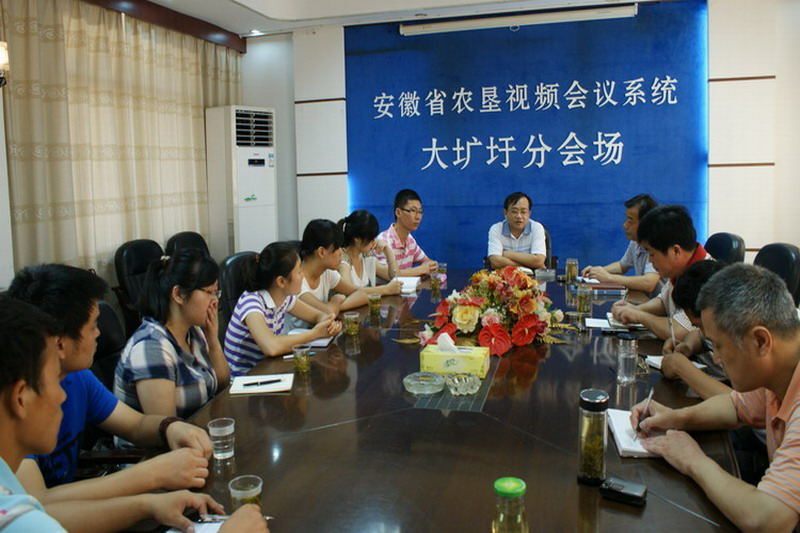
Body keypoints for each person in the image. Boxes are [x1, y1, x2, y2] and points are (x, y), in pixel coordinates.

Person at [0, 297, 268, 533]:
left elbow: (136, 423)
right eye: (53, 380)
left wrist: (148, 503)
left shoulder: (8, 478)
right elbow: (40, 507)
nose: (62, 395)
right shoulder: (18, 518)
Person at [631, 264, 800, 531]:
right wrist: (674, 417)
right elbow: (735, 406)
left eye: (718, 346)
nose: (716, 359)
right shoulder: (779, 368)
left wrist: (693, 460)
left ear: (760, 341)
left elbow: (767, 519)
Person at [115, 249, 230, 419]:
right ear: (179, 294)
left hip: (200, 427)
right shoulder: (151, 347)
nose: (215, 301)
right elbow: (166, 427)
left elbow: (222, 386)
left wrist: (213, 340)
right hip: (173, 435)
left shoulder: (194, 332)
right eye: (210, 292)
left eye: (217, 292)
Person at [224, 241, 342, 376]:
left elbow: (317, 316)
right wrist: (315, 333)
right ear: (281, 281)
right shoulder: (251, 303)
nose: (302, 276)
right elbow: (271, 347)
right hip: (243, 380)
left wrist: (327, 323)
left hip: (267, 370)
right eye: (299, 272)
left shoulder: (284, 297)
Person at [611, 205, 711, 342]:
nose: (650, 260)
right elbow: (664, 302)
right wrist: (635, 309)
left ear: (675, 251)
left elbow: (678, 331)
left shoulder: (705, 278)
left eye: (652, 254)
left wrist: (640, 316)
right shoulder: (679, 269)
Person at [659, 260, 729, 400]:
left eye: (700, 325)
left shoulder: (748, 341)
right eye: (697, 326)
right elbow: (699, 336)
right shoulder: (718, 325)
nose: (705, 334)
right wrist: (688, 346)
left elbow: (740, 403)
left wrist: (681, 367)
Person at [581, 194, 664, 295]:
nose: (625, 225)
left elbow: (649, 283)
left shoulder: (657, 244)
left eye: (630, 221)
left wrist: (609, 278)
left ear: (645, 224)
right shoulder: (636, 241)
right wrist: (597, 271)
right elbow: (622, 266)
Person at [297, 219, 369, 316]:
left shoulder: (326, 272)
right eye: (337, 248)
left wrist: (335, 306)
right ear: (321, 252)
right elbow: (328, 312)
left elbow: (362, 294)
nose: (341, 252)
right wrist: (336, 299)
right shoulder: (297, 280)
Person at [337, 209, 402, 295]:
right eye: (370, 239)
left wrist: (388, 251)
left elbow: (394, 276)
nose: (374, 242)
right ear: (357, 239)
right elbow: (348, 290)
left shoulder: (366, 255)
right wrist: (384, 289)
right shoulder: (343, 259)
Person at [376, 189, 438, 276]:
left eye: (420, 212)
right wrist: (421, 269)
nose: (418, 217)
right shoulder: (383, 241)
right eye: (413, 211)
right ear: (398, 212)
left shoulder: (410, 240)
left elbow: (427, 261)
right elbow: (390, 275)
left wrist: (431, 265)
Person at [487, 191, 547, 270]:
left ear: (529, 214)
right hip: (504, 277)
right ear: (505, 213)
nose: (519, 216)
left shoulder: (536, 228)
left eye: (523, 212)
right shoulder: (496, 229)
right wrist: (528, 266)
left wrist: (507, 254)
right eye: (514, 212)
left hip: (531, 277)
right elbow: (495, 262)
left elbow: (538, 261)